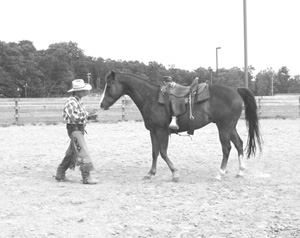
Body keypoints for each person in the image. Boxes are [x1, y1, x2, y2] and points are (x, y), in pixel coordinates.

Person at [55, 79, 98, 184]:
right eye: (83, 90)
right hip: (75, 129)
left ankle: (60, 173)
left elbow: (78, 115)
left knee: (72, 152)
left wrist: (87, 116)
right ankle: (86, 177)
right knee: (83, 152)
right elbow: (74, 117)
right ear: (77, 91)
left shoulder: (77, 101)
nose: (85, 92)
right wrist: (88, 116)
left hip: (78, 129)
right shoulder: (71, 102)